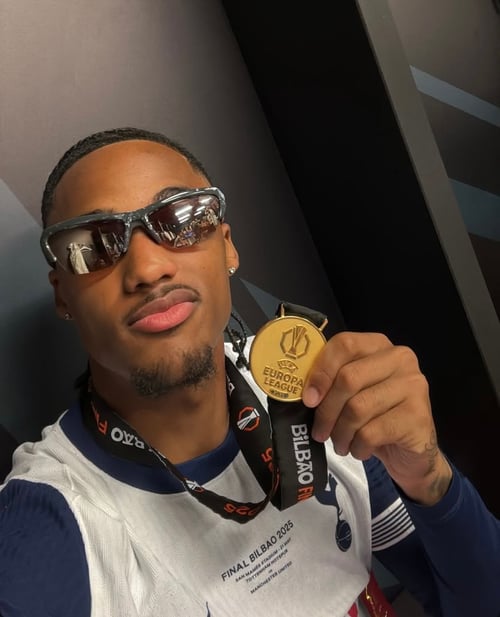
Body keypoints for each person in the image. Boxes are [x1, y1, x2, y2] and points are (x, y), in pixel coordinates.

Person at [0, 126, 498, 617]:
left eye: (182, 218)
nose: (149, 269)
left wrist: (429, 478)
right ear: (63, 295)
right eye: (94, 245)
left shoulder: (308, 387)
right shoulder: (54, 520)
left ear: (228, 247)